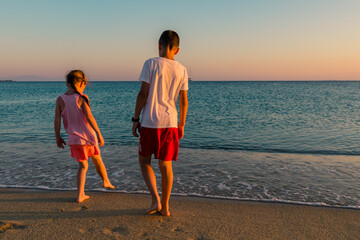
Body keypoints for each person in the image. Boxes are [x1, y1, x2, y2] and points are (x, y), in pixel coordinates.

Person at [132, 30, 189, 216]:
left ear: (159, 45)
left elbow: (143, 93)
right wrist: (181, 123)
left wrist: (135, 119)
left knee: (144, 160)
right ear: (177, 50)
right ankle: (165, 207)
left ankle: (155, 199)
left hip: (150, 121)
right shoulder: (182, 69)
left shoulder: (150, 63)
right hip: (171, 122)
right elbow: (184, 100)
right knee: (166, 166)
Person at [54, 70, 114, 203]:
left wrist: (58, 137)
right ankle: (105, 181)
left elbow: (57, 120)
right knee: (97, 160)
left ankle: (82, 193)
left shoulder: (60, 99)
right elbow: (90, 117)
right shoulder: (82, 97)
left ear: (67, 83)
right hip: (88, 137)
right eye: (85, 83)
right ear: (81, 83)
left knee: (83, 166)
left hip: (74, 139)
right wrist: (99, 133)